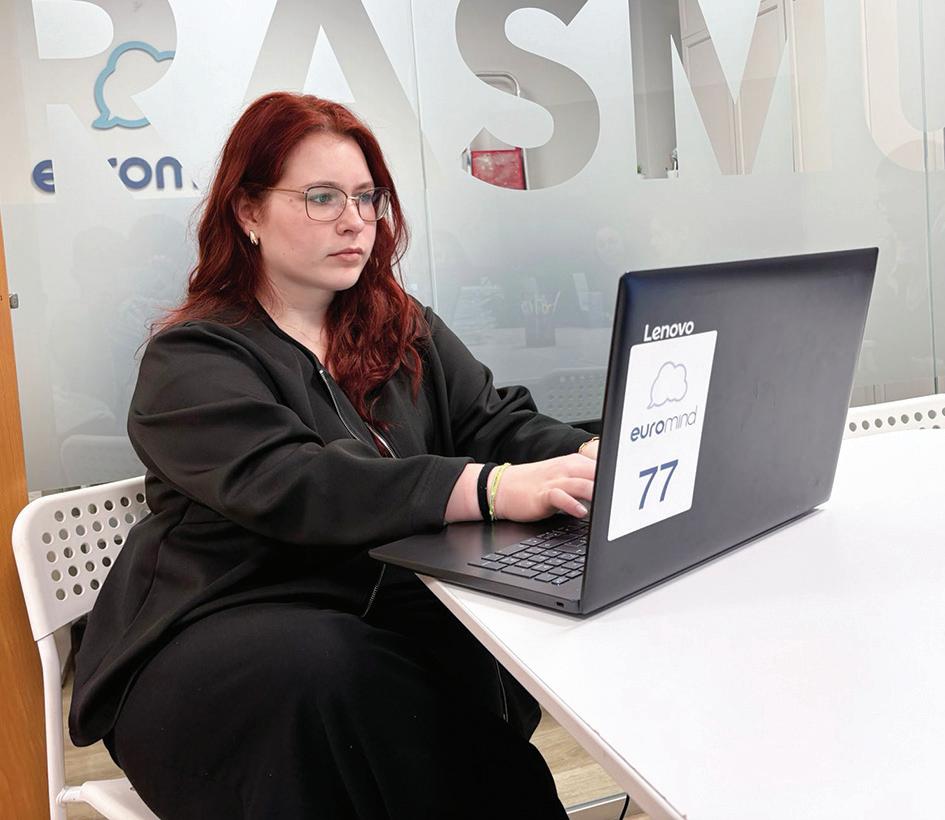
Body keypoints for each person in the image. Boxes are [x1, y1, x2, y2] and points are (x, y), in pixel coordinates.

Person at [69, 91, 600, 819]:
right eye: (321, 197)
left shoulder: (399, 326)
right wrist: (489, 489)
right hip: (217, 640)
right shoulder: (191, 358)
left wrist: (592, 456)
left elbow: (492, 422)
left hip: (371, 627)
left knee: (447, 663)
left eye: (365, 197)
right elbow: (297, 482)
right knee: (341, 669)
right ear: (248, 211)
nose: (354, 220)